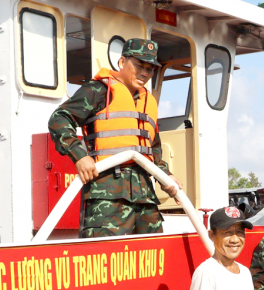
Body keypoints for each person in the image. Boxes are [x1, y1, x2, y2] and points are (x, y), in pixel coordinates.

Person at [48, 38, 181, 237]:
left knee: (152, 261)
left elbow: (154, 150)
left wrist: (166, 176)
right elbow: (59, 119)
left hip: (146, 200)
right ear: (121, 63)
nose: (144, 73)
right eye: (139, 65)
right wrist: (80, 156)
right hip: (107, 199)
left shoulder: (149, 102)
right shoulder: (98, 91)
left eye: (150, 69)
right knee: (106, 263)